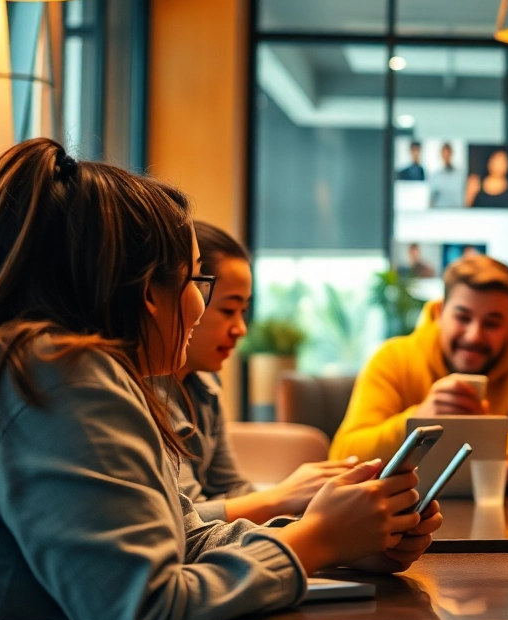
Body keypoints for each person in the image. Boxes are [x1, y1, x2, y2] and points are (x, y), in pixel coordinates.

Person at [0, 139, 441, 620]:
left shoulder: (53, 371)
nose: (203, 305)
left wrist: (342, 544)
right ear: (149, 290)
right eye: (199, 280)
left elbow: (187, 537)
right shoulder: (58, 382)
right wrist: (314, 538)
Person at [153, 221, 360, 525]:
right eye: (227, 309)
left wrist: (303, 514)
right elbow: (183, 522)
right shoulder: (143, 393)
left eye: (243, 311)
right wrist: (282, 498)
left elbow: (232, 489)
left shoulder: (205, 387)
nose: (240, 329)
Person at [332, 254, 508, 490]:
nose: (474, 336)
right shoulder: (392, 359)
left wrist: (483, 430)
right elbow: (344, 455)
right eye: (463, 317)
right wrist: (418, 420)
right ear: (440, 312)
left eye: (492, 323)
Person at [430, 142, 463, 208]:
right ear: (441, 155)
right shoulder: (435, 176)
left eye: (448, 154)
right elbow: (431, 200)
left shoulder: (460, 175)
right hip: (440, 213)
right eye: (444, 154)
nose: (446, 156)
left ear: (451, 154)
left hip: (458, 213)